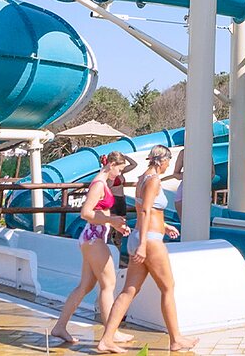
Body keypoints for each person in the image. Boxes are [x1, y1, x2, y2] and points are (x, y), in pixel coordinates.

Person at [96, 145, 197, 354]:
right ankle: (176, 339)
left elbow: (148, 210)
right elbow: (144, 211)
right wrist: (142, 244)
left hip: (140, 236)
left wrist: (164, 226)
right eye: (168, 162)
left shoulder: (142, 178)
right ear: (162, 161)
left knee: (129, 290)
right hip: (149, 241)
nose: (169, 166)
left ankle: (106, 339)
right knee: (168, 288)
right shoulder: (153, 180)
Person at [48, 152, 134, 346]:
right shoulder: (99, 184)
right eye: (119, 170)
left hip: (93, 238)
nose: (120, 174)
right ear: (111, 165)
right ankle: (111, 333)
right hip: (94, 238)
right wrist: (111, 220)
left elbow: (100, 213)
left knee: (85, 286)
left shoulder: (102, 183)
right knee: (108, 285)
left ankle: (60, 326)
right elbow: (86, 213)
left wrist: (115, 224)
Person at [167, 150, 185, 220]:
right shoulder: (183, 153)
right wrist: (188, 176)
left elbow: (212, 174)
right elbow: (176, 174)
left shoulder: (206, 152)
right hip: (184, 192)